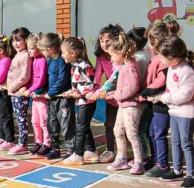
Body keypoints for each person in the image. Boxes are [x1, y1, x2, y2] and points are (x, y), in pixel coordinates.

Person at [154, 35, 194, 188]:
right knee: (175, 141)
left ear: (173, 58)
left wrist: (163, 98)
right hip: (175, 111)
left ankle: (192, 176)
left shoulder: (186, 71)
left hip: (186, 113)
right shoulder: (172, 67)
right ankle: (177, 170)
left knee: (186, 144)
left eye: (162, 57)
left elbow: (184, 95)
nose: (159, 59)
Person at [104, 32, 145, 173]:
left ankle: (139, 162)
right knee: (118, 131)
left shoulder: (130, 66)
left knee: (132, 134)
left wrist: (116, 94)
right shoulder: (124, 65)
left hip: (131, 107)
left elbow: (132, 87)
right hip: (124, 105)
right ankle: (121, 158)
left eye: (112, 55)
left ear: (121, 52)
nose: (111, 59)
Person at [141, 21, 178, 178]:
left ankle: (162, 165)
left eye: (150, 41)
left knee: (159, 133)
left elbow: (161, 79)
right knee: (151, 131)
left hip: (161, 101)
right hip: (153, 100)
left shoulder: (163, 58)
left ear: (157, 41)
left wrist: (145, 92)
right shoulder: (155, 57)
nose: (148, 45)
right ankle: (156, 160)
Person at [61, 37, 99, 165]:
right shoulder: (74, 65)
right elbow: (78, 84)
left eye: (63, 52)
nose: (62, 55)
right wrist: (71, 92)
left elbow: (90, 85)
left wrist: (76, 93)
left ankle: (78, 154)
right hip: (81, 102)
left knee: (80, 128)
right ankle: (92, 151)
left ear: (72, 53)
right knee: (84, 126)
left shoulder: (85, 66)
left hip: (87, 103)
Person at [38, 32, 73, 160]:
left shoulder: (62, 61)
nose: (42, 52)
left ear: (50, 49)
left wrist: (51, 92)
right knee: (51, 124)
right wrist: (41, 90)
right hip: (52, 99)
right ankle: (55, 148)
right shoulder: (50, 61)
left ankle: (70, 150)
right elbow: (46, 78)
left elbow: (62, 79)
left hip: (62, 98)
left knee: (66, 124)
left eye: (43, 50)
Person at [93, 24, 124, 163]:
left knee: (126, 127)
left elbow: (116, 77)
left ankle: (127, 152)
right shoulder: (100, 58)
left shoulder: (121, 55)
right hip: (110, 98)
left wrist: (103, 90)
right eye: (101, 41)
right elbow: (97, 77)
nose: (104, 44)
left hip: (124, 97)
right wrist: (94, 91)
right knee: (109, 124)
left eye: (108, 40)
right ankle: (110, 150)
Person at [128, 27, 153, 166]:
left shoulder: (137, 58)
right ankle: (145, 155)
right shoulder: (145, 55)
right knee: (142, 129)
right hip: (145, 97)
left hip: (140, 98)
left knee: (140, 130)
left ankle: (144, 156)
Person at [6, 27, 32, 155]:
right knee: (18, 118)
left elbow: (25, 76)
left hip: (19, 93)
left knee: (21, 119)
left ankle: (23, 144)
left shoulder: (26, 55)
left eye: (18, 40)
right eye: (13, 40)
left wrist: (13, 86)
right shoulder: (18, 54)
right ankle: (21, 142)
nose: (15, 43)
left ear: (26, 40)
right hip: (14, 92)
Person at [24, 33, 49, 155]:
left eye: (32, 48)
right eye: (28, 48)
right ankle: (38, 142)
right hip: (34, 96)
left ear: (39, 48)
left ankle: (47, 143)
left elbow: (41, 79)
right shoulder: (34, 60)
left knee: (44, 121)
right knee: (35, 121)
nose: (29, 51)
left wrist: (30, 90)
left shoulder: (42, 60)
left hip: (41, 95)